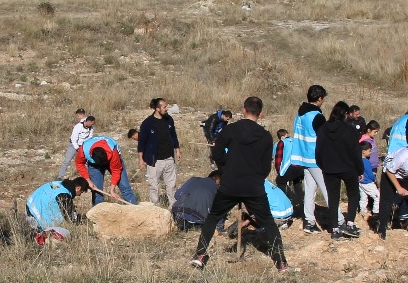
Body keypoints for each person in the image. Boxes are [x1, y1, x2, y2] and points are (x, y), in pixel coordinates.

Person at [191, 96, 288, 272]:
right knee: (268, 222)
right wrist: (256, 176)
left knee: (213, 217)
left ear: (243, 110)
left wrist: (227, 168)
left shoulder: (231, 130)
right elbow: (266, 167)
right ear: (261, 113)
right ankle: (281, 261)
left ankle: (199, 255)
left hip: (230, 184)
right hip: (254, 187)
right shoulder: (266, 136)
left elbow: (217, 152)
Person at [315, 100, 362, 239]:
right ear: (346, 114)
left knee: (333, 198)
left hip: (329, 169)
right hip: (349, 168)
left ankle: (335, 228)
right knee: (353, 194)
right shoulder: (350, 130)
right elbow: (355, 152)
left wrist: (322, 165)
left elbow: (318, 151)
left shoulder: (323, 129)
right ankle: (350, 224)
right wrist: (360, 170)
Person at [290, 85, 328, 233]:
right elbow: (324, 137)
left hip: (303, 157)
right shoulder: (316, 116)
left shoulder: (300, 114)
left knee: (310, 190)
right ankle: (339, 222)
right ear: (319, 99)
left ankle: (309, 222)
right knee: (328, 190)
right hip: (315, 158)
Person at [137, 97, 182, 206]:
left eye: (166, 106)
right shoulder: (147, 123)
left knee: (171, 185)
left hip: (169, 158)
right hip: (154, 161)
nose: (166, 109)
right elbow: (141, 142)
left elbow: (173, 136)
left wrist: (177, 150)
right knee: (154, 186)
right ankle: (155, 208)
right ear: (157, 109)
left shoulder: (169, 119)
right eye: (164, 107)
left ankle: (173, 208)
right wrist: (140, 159)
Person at [77, 129, 138, 205]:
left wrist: (112, 190)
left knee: (125, 187)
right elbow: (79, 164)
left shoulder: (113, 152)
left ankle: (134, 209)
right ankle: (98, 213)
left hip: (113, 162)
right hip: (94, 166)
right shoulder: (84, 149)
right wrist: (88, 181)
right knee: (96, 190)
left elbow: (116, 170)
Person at [358, 128, 381, 218]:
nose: (370, 153)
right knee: (377, 196)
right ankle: (376, 212)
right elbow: (370, 173)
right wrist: (374, 178)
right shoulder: (366, 162)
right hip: (368, 183)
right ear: (364, 151)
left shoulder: (358, 161)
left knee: (363, 198)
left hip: (360, 183)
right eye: (369, 151)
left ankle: (362, 210)